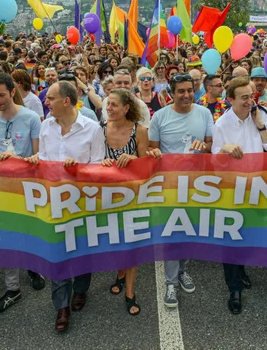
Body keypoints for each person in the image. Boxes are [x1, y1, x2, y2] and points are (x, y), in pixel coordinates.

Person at [24, 81, 104, 332]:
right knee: (58, 253)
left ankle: (80, 289)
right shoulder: (46, 126)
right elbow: (45, 158)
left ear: (66, 101)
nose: (45, 102)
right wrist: (36, 159)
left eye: (50, 98)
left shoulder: (92, 129)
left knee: (81, 249)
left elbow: (99, 166)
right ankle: (62, 306)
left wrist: (78, 169)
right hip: (53, 201)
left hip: (82, 202)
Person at [211, 77, 267, 316]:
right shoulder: (221, 125)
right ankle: (234, 289)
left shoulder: (260, 115)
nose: (249, 101)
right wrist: (223, 150)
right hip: (231, 191)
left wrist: (260, 123)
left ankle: (240, 268)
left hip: (257, 188)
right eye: (244, 98)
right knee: (230, 238)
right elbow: (215, 164)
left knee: (248, 234)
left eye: (251, 96)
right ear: (230, 100)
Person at [147, 73, 214, 308]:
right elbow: (152, 150)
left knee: (189, 232)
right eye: (181, 91)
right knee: (173, 233)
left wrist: (203, 147)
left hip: (196, 185)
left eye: (189, 90)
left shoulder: (204, 113)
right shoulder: (160, 117)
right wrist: (154, 154)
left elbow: (210, 146)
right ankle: (171, 282)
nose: (186, 95)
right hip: (170, 186)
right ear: (171, 93)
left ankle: (183, 270)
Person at [0, 71, 45, 313]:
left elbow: (39, 156)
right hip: (1, 186)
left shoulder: (31, 117)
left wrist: (19, 159)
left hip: (26, 185)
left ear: (12, 91)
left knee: (29, 230)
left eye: (1, 95)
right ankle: (12, 288)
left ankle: (34, 267)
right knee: (7, 235)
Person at [101, 89, 149, 316]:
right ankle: (120, 273)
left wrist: (135, 159)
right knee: (115, 240)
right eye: (108, 104)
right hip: (107, 196)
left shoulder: (139, 131)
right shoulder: (99, 129)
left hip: (133, 197)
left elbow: (147, 165)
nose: (109, 108)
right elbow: (90, 159)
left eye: (114, 105)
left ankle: (130, 291)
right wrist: (101, 161)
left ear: (126, 108)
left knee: (131, 243)